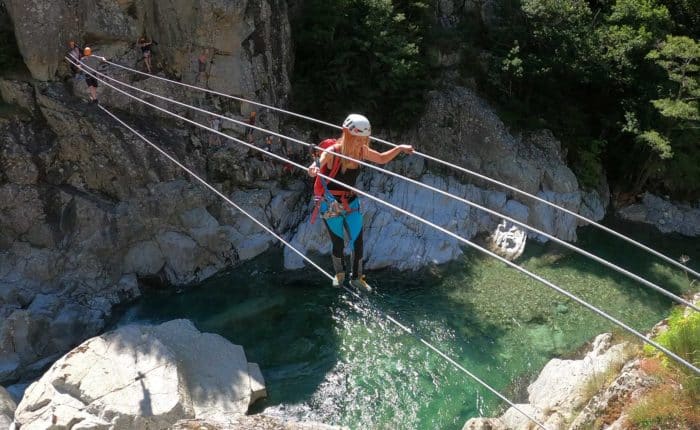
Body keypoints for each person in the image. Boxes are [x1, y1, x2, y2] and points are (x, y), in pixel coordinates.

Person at [307, 114, 413, 291]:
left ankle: (356, 278)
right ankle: (340, 273)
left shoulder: (361, 151)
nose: (360, 143)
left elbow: (381, 158)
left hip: (351, 202)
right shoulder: (334, 150)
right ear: (347, 135)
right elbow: (322, 158)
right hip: (330, 203)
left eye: (363, 139)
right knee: (338, 243)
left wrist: (399, 148)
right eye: (357, 139)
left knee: (358, 242)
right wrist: (314, 167)